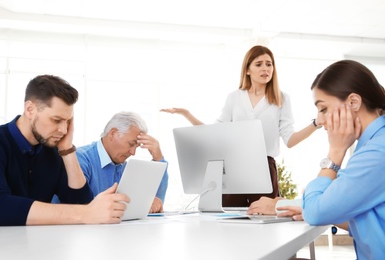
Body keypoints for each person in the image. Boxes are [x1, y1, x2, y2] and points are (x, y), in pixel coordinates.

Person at [248, 60, 385, 259]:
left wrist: (335, 153)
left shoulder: (377, 151)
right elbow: (372, 220)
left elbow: (316, 212)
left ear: (353, 102)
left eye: (323, 109)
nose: (319, 121)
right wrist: (304, 204)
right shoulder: (373, 143)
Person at [0, 75, 130, 229]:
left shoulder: (52, 151)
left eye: (68, 121)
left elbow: (81, 202)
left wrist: (67, 150)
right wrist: (85, 213)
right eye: (57, 120)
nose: (63, 129)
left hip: (24, 246)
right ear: (30, 110)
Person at [161, 45, 320, 207]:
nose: (265, 68)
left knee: (262, 216)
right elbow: (214, 132)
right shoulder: (234, 98)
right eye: (259, 64)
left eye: (269, 64)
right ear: (248, 70)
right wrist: (187, 114)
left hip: (264, 168)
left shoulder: (282, 99)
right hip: (234, 167)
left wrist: (315, 124)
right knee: (231, 218)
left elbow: (290, 140)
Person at [53, 111, 169, 213]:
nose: (133, 152)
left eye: (137, 147)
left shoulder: (125, 167)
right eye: (131, 144)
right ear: (113, 133)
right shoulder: (79, 159)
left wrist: (158, 158)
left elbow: (157, 200)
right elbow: (77, 206)